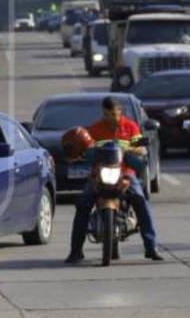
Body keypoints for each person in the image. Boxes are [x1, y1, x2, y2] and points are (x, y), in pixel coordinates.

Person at [65, 96, 163, 264]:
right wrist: (80, 151)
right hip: (100, 174)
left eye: (113, 114)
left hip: (125, 173)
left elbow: (141, 147)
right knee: (83, 204)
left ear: (120, 112)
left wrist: (136, 149)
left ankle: (151, 247)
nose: (110, 118)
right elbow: (85, 147)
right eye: (106, 114)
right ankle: (76, 251)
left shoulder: (130, 127)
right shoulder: (94, 129)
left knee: (141, 201)